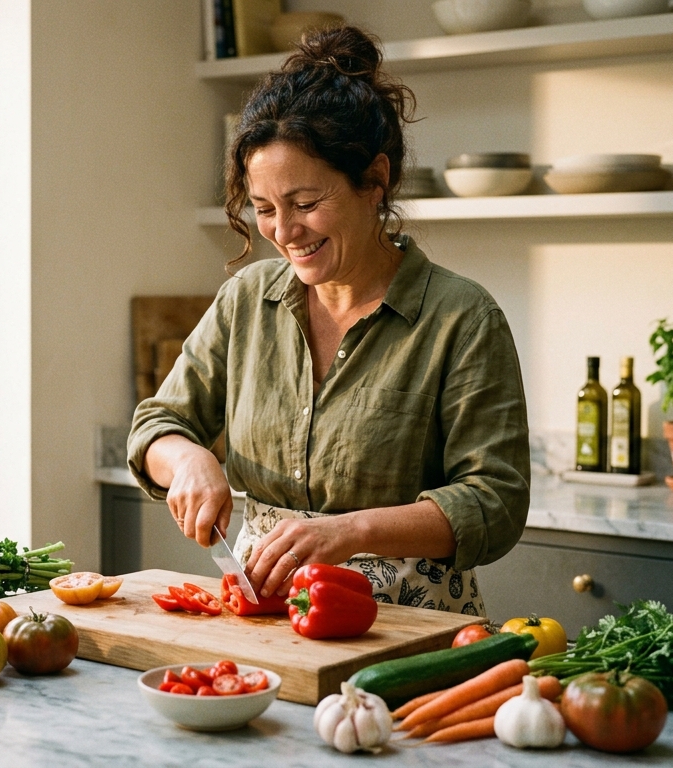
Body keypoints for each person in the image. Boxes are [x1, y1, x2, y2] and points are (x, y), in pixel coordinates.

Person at [126, 25, 529, 616]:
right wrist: (186, 458)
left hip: (406, 626)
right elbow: (156, 423)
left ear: (375, 179)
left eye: (306, 204)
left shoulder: (462, 317)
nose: (284, 233)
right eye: (264, 209)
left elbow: (494, 501)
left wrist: (349, 533)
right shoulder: (247, 299)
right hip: (266, 614)